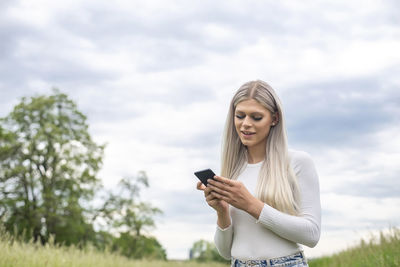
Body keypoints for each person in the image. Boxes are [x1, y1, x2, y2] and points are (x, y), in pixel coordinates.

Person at [196, 80, 321, 267]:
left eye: (256, 117)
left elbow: (311, 234)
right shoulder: (233, 171)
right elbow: (224, 252)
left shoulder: (298, 162)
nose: (245, 124)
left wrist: (251, 204)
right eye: (240, 116)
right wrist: (222, 212)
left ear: (274, 119)